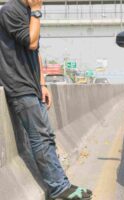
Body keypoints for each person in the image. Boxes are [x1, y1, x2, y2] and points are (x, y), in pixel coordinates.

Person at [0, 0, 92, 199]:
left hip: (32, 86)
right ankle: (59, 189)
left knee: (47, 136)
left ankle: (63, 184)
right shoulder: (9, 11)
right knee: (40, 139)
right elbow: (32, 42)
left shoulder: (27, 12)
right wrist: (36, 11)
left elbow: (36, 51)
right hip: (19, 87)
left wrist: (42, 84)